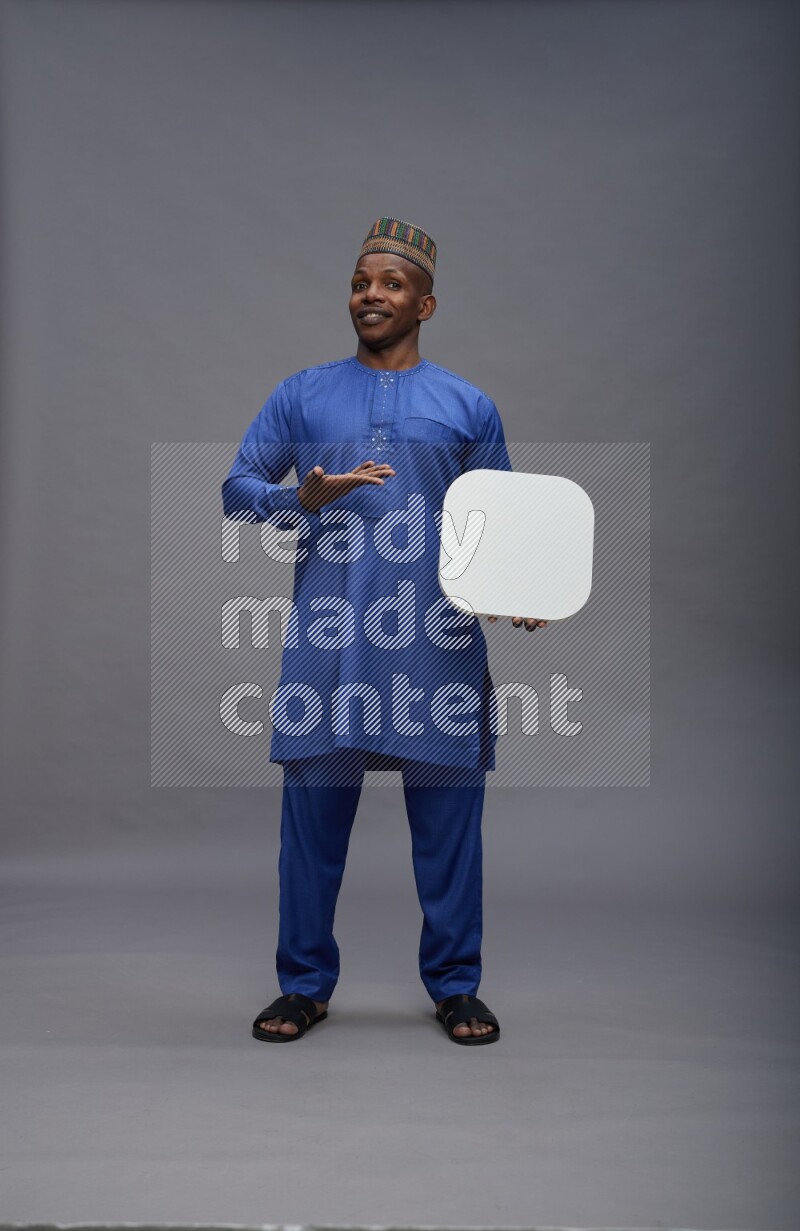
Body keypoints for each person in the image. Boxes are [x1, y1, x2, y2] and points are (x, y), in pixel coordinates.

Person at [222, 217, 547, 1045]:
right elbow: (236, 486)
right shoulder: (302, 393)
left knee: (448, 835)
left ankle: (456, 985)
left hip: (436, 645)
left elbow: (500, 522)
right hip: (329, 644)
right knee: (311, 829)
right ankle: (303, 984)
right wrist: (300, 499)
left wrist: (519, 589)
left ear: (425, 304)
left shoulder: (467, 404)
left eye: (392, 284)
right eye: (362, 281)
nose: (372, 294)